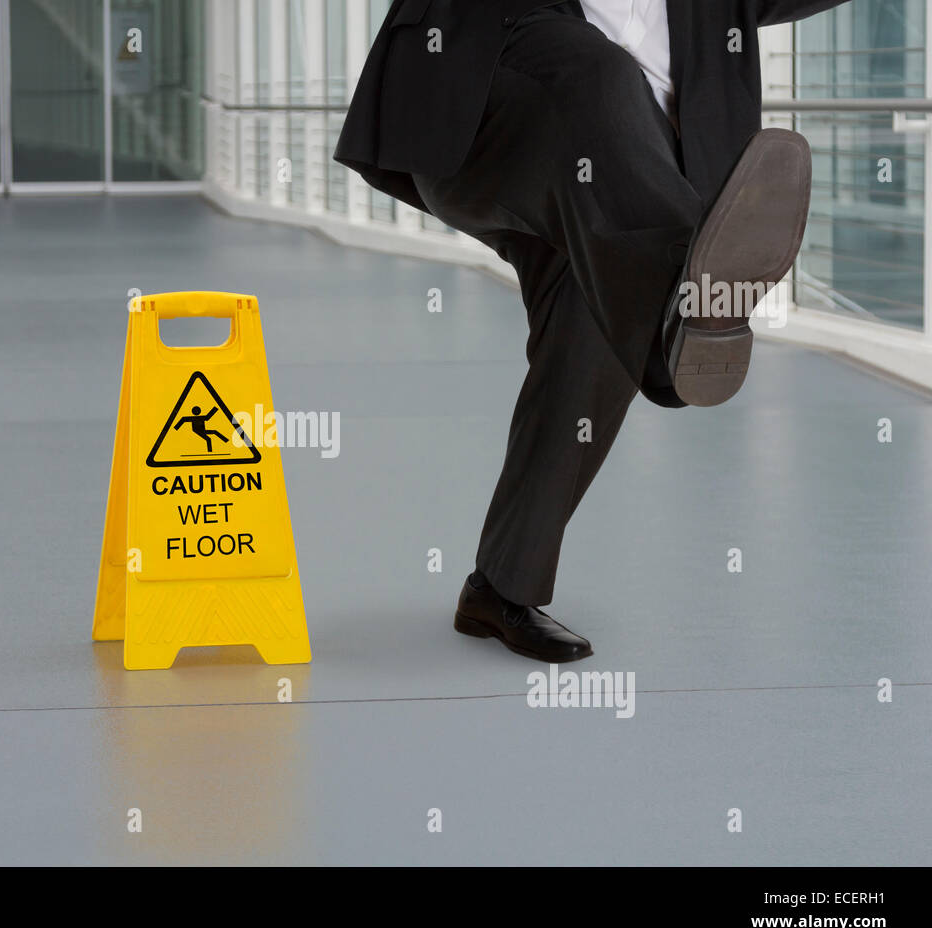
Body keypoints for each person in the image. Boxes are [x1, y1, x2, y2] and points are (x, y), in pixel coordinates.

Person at [334, 0, 852, 663]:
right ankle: (677, 310)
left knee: (593, 331)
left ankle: (500, 588)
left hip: (622, 190)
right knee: (599, 74)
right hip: (491, 125)